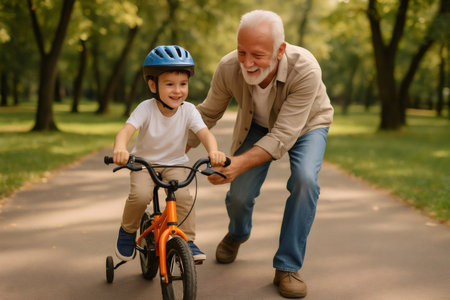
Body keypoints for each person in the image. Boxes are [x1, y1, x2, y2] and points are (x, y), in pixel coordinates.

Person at [187, 10, 333, 298]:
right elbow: (208, 113)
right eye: (242, 52)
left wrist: (237, 164)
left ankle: (288, 266)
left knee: (305, 181)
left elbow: (282, 137)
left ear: (280, 50)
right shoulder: (229, 67)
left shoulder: (305, 69)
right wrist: (174, 147)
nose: (248, 62)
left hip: (306, 126)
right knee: (239, 194)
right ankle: (238, 233)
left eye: (257, 54)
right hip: (256, 125)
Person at [112, 45, 226, 264]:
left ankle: (188, 240)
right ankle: (127, 231)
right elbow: (126, 131)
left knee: (183, 197)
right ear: (153, 85)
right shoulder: (146, 108)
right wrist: (120, 148)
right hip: (144, 164)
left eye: (183, 84)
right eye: (170, 84)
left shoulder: (189, 110)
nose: (178, 91)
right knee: (141, 196)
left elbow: (205, 134)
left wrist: (214, 152)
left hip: (176, 164)